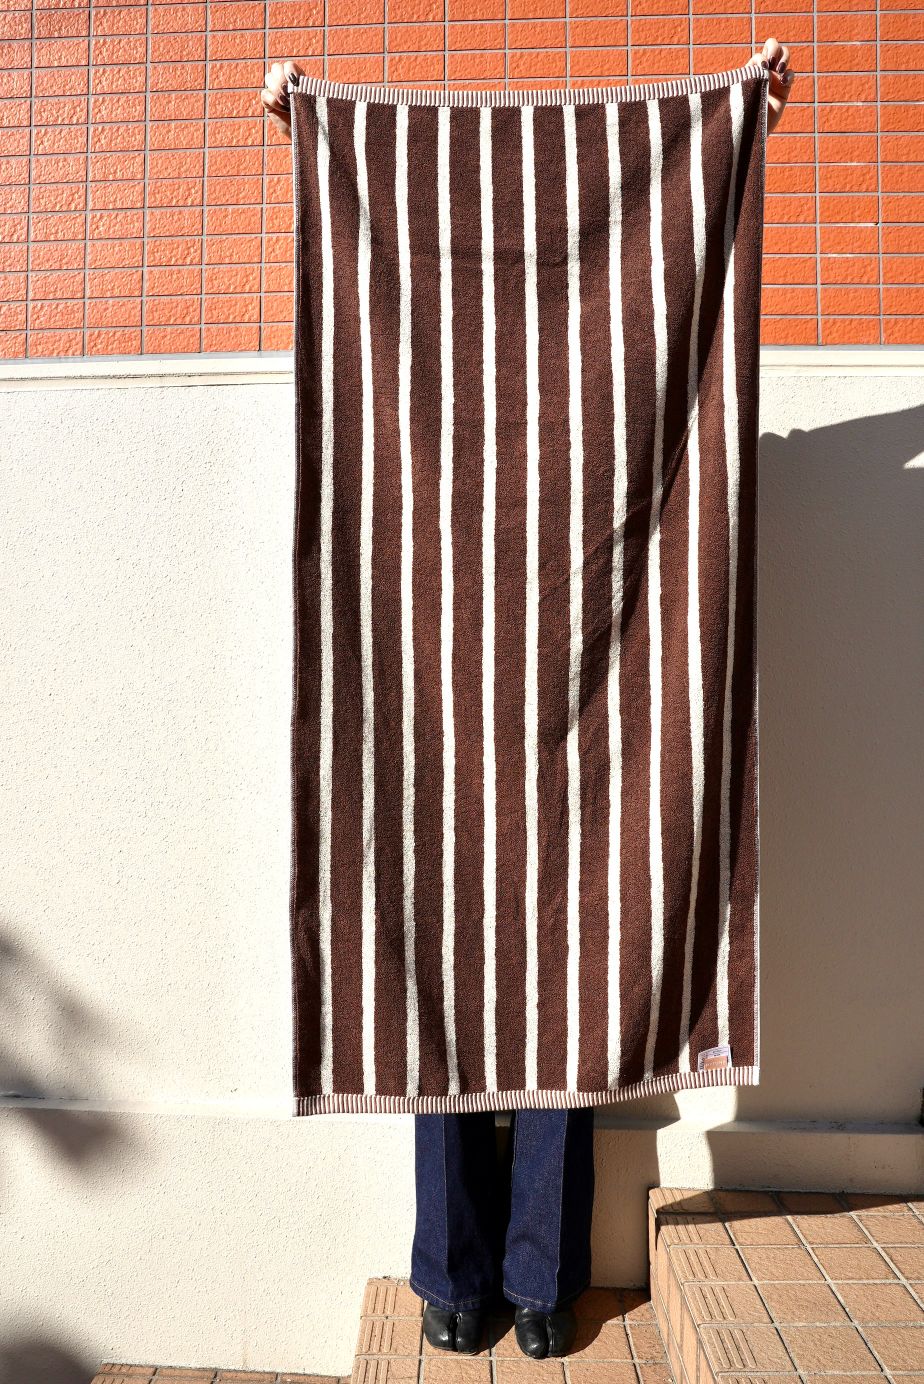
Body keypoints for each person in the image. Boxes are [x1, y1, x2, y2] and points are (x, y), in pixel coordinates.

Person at [260, 37, 793, 1363]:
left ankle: (541, 1278)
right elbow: (372, 206)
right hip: (435, 668)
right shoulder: (432, 410)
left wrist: (738, 115)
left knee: (572, 961)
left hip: (593, 667)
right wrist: (315, 131)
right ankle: (454, 1272)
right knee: (438, 955)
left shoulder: (601, 407)